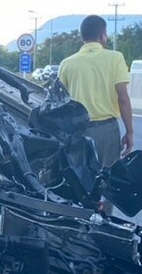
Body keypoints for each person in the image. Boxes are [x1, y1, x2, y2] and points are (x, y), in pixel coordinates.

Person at [57, 14, 134, 174]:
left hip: (77, 132)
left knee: (81, 179)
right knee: (108, 179)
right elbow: (123, 98)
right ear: (102, 35)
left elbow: (59, 102)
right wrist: (129, 132)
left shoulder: (67, 63)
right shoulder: (115, 58)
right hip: (106, 130)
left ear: (82, 36)